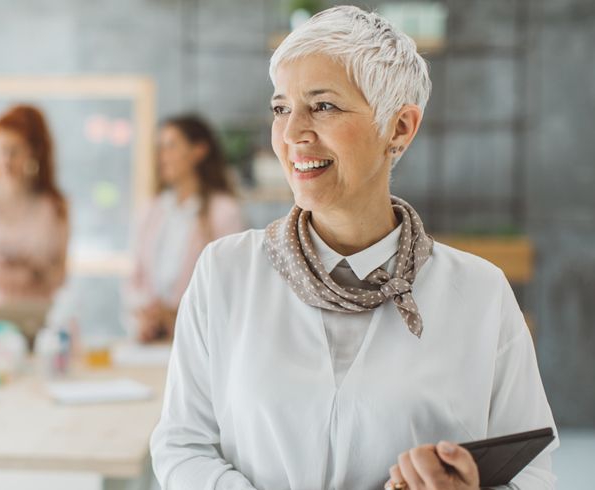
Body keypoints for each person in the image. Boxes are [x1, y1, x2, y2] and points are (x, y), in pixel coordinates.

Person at [150, 6, 557, 490]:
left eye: (323, 106)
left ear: (400, 128)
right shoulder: (225, 271)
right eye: (281, 108)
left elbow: (531, 474)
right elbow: (182, 445)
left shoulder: (481, 293)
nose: (292, 134)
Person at [126, 115, 245, 343]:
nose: (162, 156)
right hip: (152, 338)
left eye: (171, 146)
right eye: (160, 147)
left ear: (198, 151)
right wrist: (146, 313)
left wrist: (175, 314)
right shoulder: (151, 210)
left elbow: (229, 284)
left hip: (201, 339)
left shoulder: (224, 212)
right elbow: (136, 277)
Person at [0, 104, 69, 343]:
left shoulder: (54, 208)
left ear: (34, 152)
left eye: (14, 151)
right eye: (0, 150)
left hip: (36, 329)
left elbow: (61, 276)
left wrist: (34, 272)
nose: (6, 160)